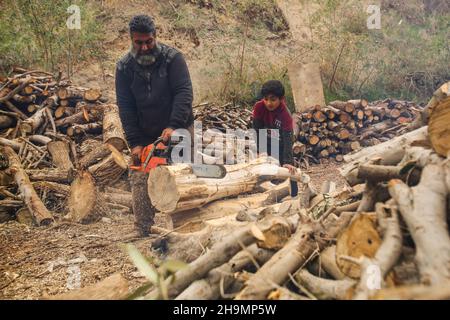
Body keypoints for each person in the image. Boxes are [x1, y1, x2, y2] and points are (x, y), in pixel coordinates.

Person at [115, 14, 194, 236]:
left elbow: (184, 93)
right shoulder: (123, 67)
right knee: (139, 173)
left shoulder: (173, 58)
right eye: (139, 42)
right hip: (145, 129)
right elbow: (126, 106)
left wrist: (174, 125)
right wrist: (135, 142)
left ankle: (184, 224)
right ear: (131, 40)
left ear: (155, 36)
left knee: (181, 172)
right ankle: (142, 226)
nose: (144, 47)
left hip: (177, 125)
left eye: (148, 41)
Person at [252, 80, 298, 196]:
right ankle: (269, 195)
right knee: (266, 170)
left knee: (288, 170)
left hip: (282, 142)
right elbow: (257, 130)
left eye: (273, 99)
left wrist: (287, 161)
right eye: (266, 99)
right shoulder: (259, 107)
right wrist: (260, 151)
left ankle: (294, 194)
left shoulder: (285, 114)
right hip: (266, 138)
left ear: (281, 99)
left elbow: (288, 139)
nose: (269, 103)